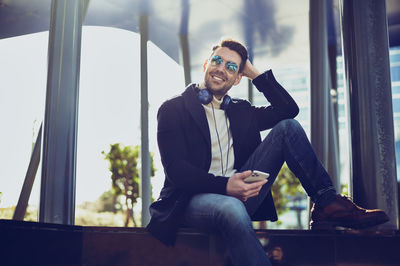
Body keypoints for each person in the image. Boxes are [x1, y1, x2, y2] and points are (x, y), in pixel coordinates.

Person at [146, 38, 389, 266]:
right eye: (217, 61)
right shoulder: (173, 108)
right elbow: (177, 171)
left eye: (231, 67)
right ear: (205, 65)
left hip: (244, 191)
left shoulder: (241, 111)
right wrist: (226, 186)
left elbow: (288, 109)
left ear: (238, 78)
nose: (221, 69)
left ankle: (326, 202)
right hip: (190, 201)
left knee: (288, 128)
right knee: (231, 208)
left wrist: (254, 73)